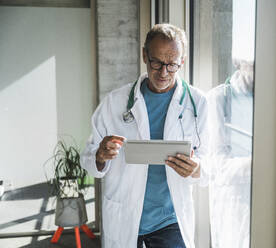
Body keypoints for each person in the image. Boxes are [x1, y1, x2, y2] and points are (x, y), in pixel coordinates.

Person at [81, 23, 208, 248]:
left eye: (172, 65)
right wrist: (100, 156)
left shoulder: (198, 103)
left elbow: (211, 161)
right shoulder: (114, 102)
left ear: (183, 61)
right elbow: (89, 159)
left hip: (170, 219)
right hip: (125, 215)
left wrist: (197, 168)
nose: (163, 73)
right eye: (156, 62)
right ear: (144, 55)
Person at [207, 58, 254, 247]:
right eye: (253, 64)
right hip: (233, 204)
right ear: (237, 62)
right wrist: (260, 161)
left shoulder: (272, 99)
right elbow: (218, 166)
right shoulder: (218, 98)